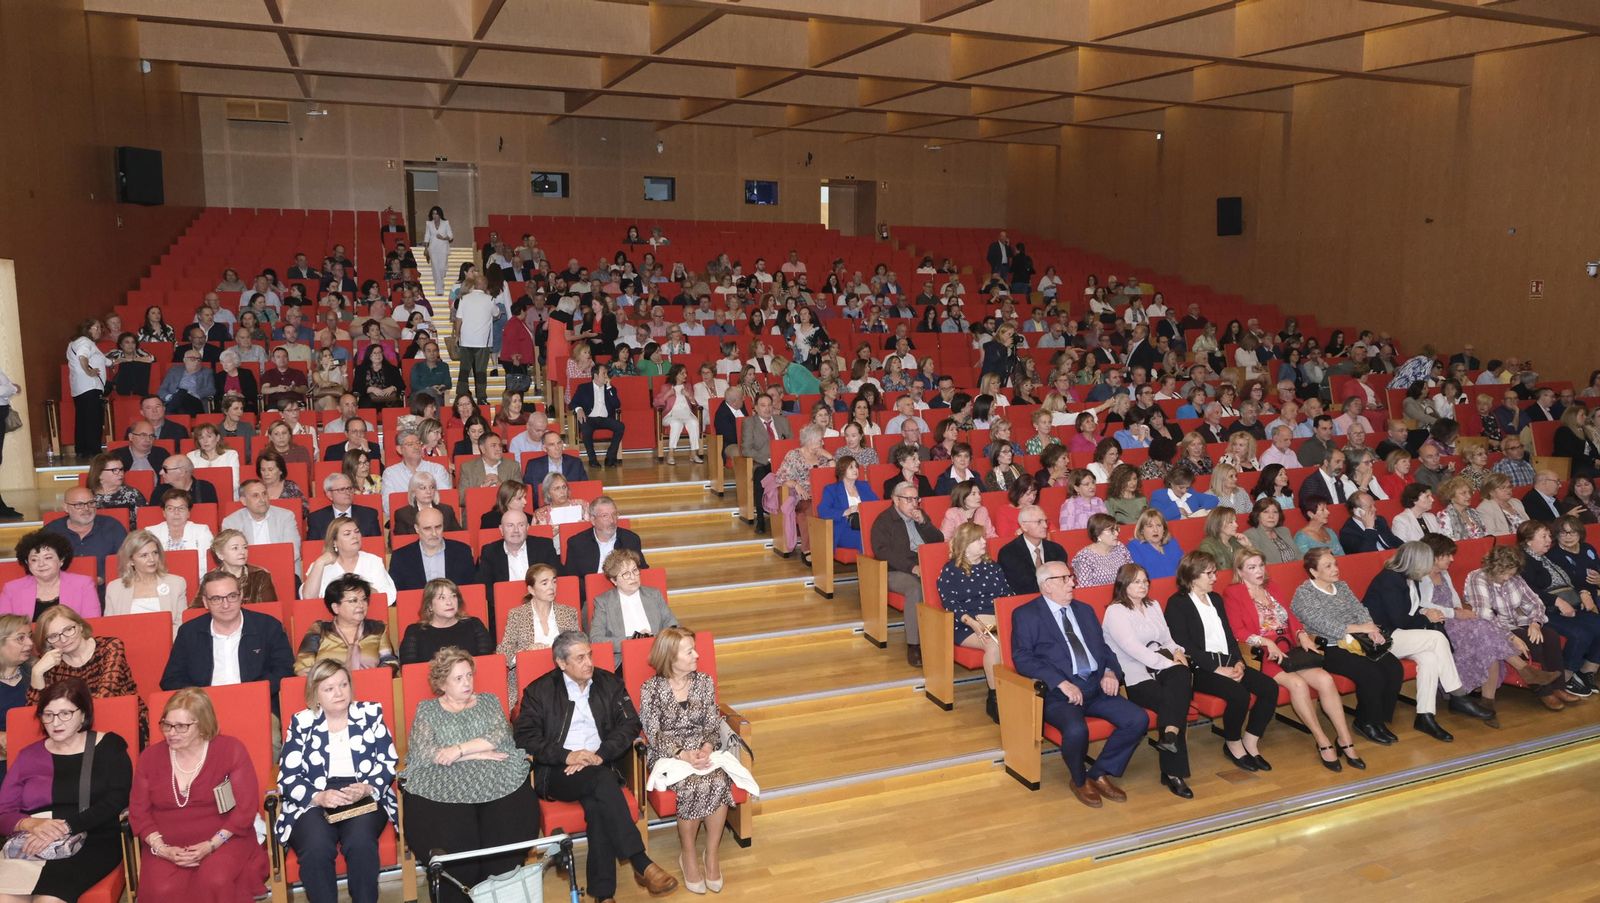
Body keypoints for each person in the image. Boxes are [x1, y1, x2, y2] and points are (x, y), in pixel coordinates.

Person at [513, 631, 676, 898]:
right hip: (558, 771)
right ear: (561, 663)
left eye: (590, 655)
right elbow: (525, 736)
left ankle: (603, 894)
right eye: (580, 658)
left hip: (600, 763)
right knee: (602, 782)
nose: (589, 662)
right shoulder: (538, 691)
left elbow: (630, 723)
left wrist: (600, 754)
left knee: (598, 806)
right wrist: (568, 755)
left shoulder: (609, 683)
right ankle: (640, 862)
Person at [399, 645, 539, 903]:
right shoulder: (427, 709)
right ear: (442, 683)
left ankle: (500, 891)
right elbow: (426, 753)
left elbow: (499, 737)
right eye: (458, 678)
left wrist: (458, 750)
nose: (467, 683)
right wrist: (474, 753)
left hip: (496, 777)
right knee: (450, 836)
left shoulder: (488, 701)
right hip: (441, 781)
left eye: (469, 676)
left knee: (510, 820)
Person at [1011, 561, 1149, 808]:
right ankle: (1079, 779)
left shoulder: (1084, 610)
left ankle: (1098, 772)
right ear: (1047, 586)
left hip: (1096, 687)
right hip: (1059, 694)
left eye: (1071, 577)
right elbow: (1022, 658)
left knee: (1137, 719)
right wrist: (1060, 682)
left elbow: (1103, 648)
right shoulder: (1026, 614)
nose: (1072, 582)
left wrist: (1110, 672)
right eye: (1065, 578)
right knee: (1076, 730)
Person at [1223, 549, 1364, 772]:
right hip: (1264, 655)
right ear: (1240, 572)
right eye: (1252, 567)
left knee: (1325, 680)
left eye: (1260, 565)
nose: (1259, 571)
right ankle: (1322, 741)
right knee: (1297, 684)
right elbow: (1237, 631)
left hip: (1290, 650)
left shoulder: (1272, 587)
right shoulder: (1234, 593)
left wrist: (1301, 635)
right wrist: (1264, 642)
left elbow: (1291, 617)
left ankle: (1345, 741)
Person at [273, 661, 398, 903]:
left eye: (343, 684)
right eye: (329, 688)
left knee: (360, 842)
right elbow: (287, 777)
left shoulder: (370, 713)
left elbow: (388, 761)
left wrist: (368, 787)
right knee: (316, 847)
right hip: (314, 797)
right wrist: (318, 796)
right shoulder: (301, 722)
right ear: (315, 695)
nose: (339, 693)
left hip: (361, 792)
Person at [128, 687, 268, 900]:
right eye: (167, 724)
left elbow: (245, 808)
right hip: (166, 844)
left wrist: (212, 844)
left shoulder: (230, 750)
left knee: (215, 879)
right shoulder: (150, 758)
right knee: (161, 889)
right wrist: (162, 848)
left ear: (203, 726)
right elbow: (139, 812)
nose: (171, 733)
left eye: (181, 727)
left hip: (224, 839)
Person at [638, 628, 749, 893]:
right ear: (671, 657)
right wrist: (682, 754)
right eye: (689, 651)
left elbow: (712, 723)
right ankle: (688, 854)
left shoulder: (704, 682)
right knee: (692, 785)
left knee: (719, 779)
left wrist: (708, 747)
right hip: (668, 753)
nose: (697, 655)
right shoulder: (651, 688)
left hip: (703, 749)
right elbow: (652, 732)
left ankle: (711, 855)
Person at [0, 678, 132, 901]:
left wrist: (65, 827)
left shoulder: (109, 746)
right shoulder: (29, 755)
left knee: (49, 899)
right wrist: (31, 824)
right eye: (48, 714)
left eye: (65, 713)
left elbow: (117, 799)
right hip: (32, 839)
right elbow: (3, 811)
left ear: (83, 714)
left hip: (92, 837)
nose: (55, 722)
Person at [1359, 542, 1496, 740]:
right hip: (1380, 637)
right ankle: (1458, 695)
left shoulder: (1408, 578)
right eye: (1426, 562)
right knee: (1437, 638)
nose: (1428, 567)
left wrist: (1425, 611)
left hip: (1399, 634)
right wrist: (1427, 617)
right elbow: (1399, 620)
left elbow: (1410, 611)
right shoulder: (1390, 579)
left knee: (1430, 659)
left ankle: (1425, 715)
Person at [1292, 548, 1404, 745]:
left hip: (1358, 641)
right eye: (1328, 566)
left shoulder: (1341, 586)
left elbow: (1360, 609)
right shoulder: (1304, 593)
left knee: (1394, 667)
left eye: (1335, 564)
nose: (1335, 569)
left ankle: (1378, 719)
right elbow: (1322, 623)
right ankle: (1366, 722)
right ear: (1314, 572)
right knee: (1371, 674)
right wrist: (1359, 627)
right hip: (1330, 647)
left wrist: (1371, 630)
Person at [162, 569, 293, 693]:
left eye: (231, 596)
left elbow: (285, 671)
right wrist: (201, 698)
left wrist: (251, 693)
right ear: (205, 602)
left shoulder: (268, 627)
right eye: (216, 599)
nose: (225, 605)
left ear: (241, 596)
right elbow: (171, 680)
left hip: (257, 703)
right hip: (204, 709)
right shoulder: (189, 632)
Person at [936, 523, 1011, 721]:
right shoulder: (951, 570)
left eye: (983, 538)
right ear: (965, 544)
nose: (984, 542)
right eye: (978, 540)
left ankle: (1020, 693)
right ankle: (994, 698)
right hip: (964, 623)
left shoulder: (993, 566)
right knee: (994, 647)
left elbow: (1007, 594)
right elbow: (949, 602)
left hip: (995, 619)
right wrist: (971, 622)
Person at [1517, 520, 1600, 698]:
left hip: (1567, 603)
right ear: (1528, 541)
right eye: (1544, 536)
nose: (1549, 540)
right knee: (1581, 633)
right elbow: (1526, 591)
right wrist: (1556, 601)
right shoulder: (1522, 560)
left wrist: (1584, 591)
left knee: (1597, 623)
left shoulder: (1542, 556)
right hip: (1543, 610)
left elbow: (1572, 579)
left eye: (1549, 535)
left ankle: (1586, 672)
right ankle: (1565, 679)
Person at [870, 483, 943, 666]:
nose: (913, 504)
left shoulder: (920, 516)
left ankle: (944, 637)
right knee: (915, 588)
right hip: (895, 570)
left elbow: (938, 540)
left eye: (916, 499)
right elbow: (882, 552)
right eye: (908, 499)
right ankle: (914, 645)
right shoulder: (884, 520)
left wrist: (924, 524)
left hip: (924, 563)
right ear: (895, 500)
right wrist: (911, 567)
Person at [293, 575, 398, 675]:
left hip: (371, 690)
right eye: (353, 601)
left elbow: (389, 661)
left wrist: (371, 678)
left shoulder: (377, 629)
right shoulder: (319, 629)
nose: (361, 605)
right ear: (336, 607)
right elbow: (303, 667)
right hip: (329, 689)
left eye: (364, 599)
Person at [589, 549, 678, 650]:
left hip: (658, 653)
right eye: (626, 574)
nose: (633, 577)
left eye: (635, 570)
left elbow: (673, 626)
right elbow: (596, 639)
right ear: (614, 580)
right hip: (624, 658)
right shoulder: (603, 602)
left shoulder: (654, 595)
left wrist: (655, 639)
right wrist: (632, 640)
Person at [0, 532, 101, 619]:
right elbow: (5, 629)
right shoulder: (11, 589)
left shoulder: (83, 584)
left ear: (61, 560)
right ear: (27, 563)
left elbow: (91, 624)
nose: (41, 564)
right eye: (34, 559)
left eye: (48, 558)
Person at [104, 530, 187, 635]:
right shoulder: (114, 588)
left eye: (155, 553)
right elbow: (111, 627)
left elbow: (181, 625)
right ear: (131, 561)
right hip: (128, 646)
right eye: (144, 555)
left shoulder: (177, 583)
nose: (152, 559)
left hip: (168, 644)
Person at [397, 579, 493, 667]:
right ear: (430, 605)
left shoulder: (474, 625)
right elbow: (410, 671)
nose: (450, 602)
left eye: (453, 596)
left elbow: (486, 665)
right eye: (442, 598)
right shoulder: (415, 632)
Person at [40, 489, 125, 587]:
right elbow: (39, 563)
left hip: (106, 591)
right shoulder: (51, 532)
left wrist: (103, 578)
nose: (87, 509)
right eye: (79, 505)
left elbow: (127, 559)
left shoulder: (112, 527)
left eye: (91, 503)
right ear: (66, 507)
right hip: (61, 590)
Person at [303, 518, 397, 601]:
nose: (354, 536)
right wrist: (319, 563)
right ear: (334, 542)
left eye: (357, 531)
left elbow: (388, 596)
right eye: (347, 534)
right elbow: (308, 598)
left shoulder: (373, 561)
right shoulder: (321, 565)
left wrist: (365, 591)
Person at [221, 479, 301, 573]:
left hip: (283, 570)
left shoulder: (286, 516)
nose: (262, 499)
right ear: (243, 501)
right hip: (247, 573)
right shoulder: (231, 522)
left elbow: (293, 552)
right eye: (255, 496)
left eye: (264, 494)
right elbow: (232, 557)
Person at [562, 496, 647, 583]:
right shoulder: (577, 543)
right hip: (589, 592)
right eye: (605, 516)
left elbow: (642, 571)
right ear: (593, 520)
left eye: (614, 514)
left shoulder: (630, 539)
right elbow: (572, 580)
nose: (612, 520)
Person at [388, 508, 476, 592]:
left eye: (438, 527)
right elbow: (396, 595)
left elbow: (472, 589)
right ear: (417, 529)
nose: (434, 533)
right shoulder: (401, 557)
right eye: (427, 528)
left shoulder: (462, 551)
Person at [475, 509, 560, 589]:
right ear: (501, 529)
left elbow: (558, 578)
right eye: (510, 525)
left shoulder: (544, 547)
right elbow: (485, 587)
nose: (516, 530)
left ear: (527, 528)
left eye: (521, 525)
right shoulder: (490, 552)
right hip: (504, 602)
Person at [198, 529, 278, 607]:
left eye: (245, 547)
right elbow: (196, 612)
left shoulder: (260, 576)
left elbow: (271, 610)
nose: (242, 552)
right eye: (235, 548)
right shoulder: (210, 579)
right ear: (220, 554)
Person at [816, 456, 877, 553]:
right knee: (864, 538)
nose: (855, 470)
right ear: (842, 470)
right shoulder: (831, 489)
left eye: (856, 467)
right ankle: (871, 567)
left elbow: (876, 506)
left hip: (867, 526)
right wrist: (846, 511)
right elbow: (822, 511)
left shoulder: (864, 486)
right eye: (851, 467)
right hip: (844, 529)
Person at [572, 364, 627, 469]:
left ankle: (610, 458)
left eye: (607, 373)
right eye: (604, 373)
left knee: (620, 426)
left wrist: (609, 387)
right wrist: (579, 409)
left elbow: (616, 405)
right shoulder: (584, 388)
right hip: (589, 419)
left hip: (605, 419)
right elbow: (573, 403)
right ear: (596, 375)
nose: (606, 376)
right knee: (585, 428)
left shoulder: (611, 389)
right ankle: (592, 460)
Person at [66, 321, 108, 458]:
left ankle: (82, 449)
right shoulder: (85, 341)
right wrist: (89, 372)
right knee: (94, 419)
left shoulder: (75, 342)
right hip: (91, 387)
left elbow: (105, 361)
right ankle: (94, 451)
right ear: (87, 329)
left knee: (83, 419)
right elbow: (82, 357)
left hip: (80, 388)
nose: (99, 330)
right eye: (96, 327)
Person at [390, 471, 461, 537]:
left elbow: (458, 536)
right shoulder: (403, 514)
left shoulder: (447, 510)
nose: (429, 491)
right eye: (423, 488)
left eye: (432, 487)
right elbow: (399, 543)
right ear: (413, 491)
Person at [1073, 513, 1134, 587]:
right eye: (1111, 530)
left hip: (1123, 594)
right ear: (1097, 533)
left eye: (1116, 529)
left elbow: (1131, 574)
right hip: (1097, 596)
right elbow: (1086, 589)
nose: (1116, 533)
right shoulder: (1084, 557)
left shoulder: (1120, 548)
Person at [1126, 508, 1183, 580]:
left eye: (1159, 525)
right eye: (1150, 526)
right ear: (1141, 530)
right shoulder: (1134, 546)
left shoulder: (1172, 543)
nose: (1155, 530)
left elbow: (1184, 569)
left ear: (1164, 529)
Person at [1476, 472, 1530, 536]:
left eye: (1509, 487)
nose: (1508, 490)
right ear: (1491, 492)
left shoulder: (1516, 502)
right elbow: (1491, 534)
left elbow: (1529, 525)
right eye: (1503, 488)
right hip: (1506, 543)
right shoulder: (1485, 508)